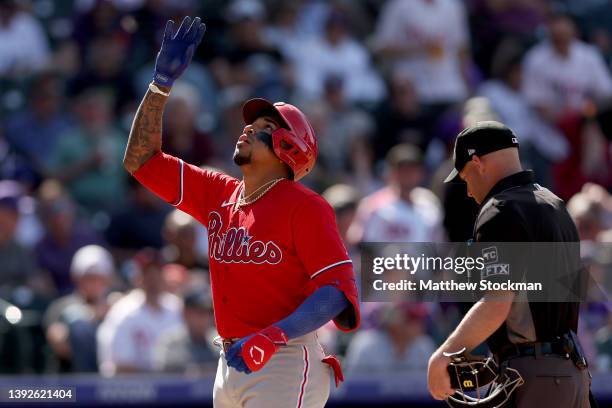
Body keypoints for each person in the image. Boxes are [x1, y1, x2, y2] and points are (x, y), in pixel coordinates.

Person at [122, 16, 359, 408]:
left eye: (263, 126)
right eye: (250, 123)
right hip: (230, 359)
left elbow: (337, 291)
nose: (246, 128)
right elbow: (140, 161)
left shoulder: (305, 206)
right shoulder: (220, 193)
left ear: (289, 147)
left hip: (284, 358)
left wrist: (274, 336)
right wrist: (160, 87)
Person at [427, 121, 591, 406]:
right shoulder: (555, 205)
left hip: (535, 376)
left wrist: (444, 354)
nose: (467, 191)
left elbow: (499, 300)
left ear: (477, 162)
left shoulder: (500, 210)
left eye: (465, 178)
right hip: (571, 374)